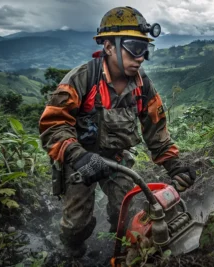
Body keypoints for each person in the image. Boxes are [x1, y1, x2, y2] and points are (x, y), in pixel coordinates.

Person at [38, 6, 196, 258]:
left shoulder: (142, 86)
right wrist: (79, 156)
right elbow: (53, 125)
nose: (141, 57)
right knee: (76, 225)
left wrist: (175, 165)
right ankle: (72, 253)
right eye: (134, 48)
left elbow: (156, 131)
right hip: (80, 159)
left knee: (126, 211)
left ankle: (120, 252)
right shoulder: (81, 79)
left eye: (145, 49)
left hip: (117, 158)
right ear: (109, 46)